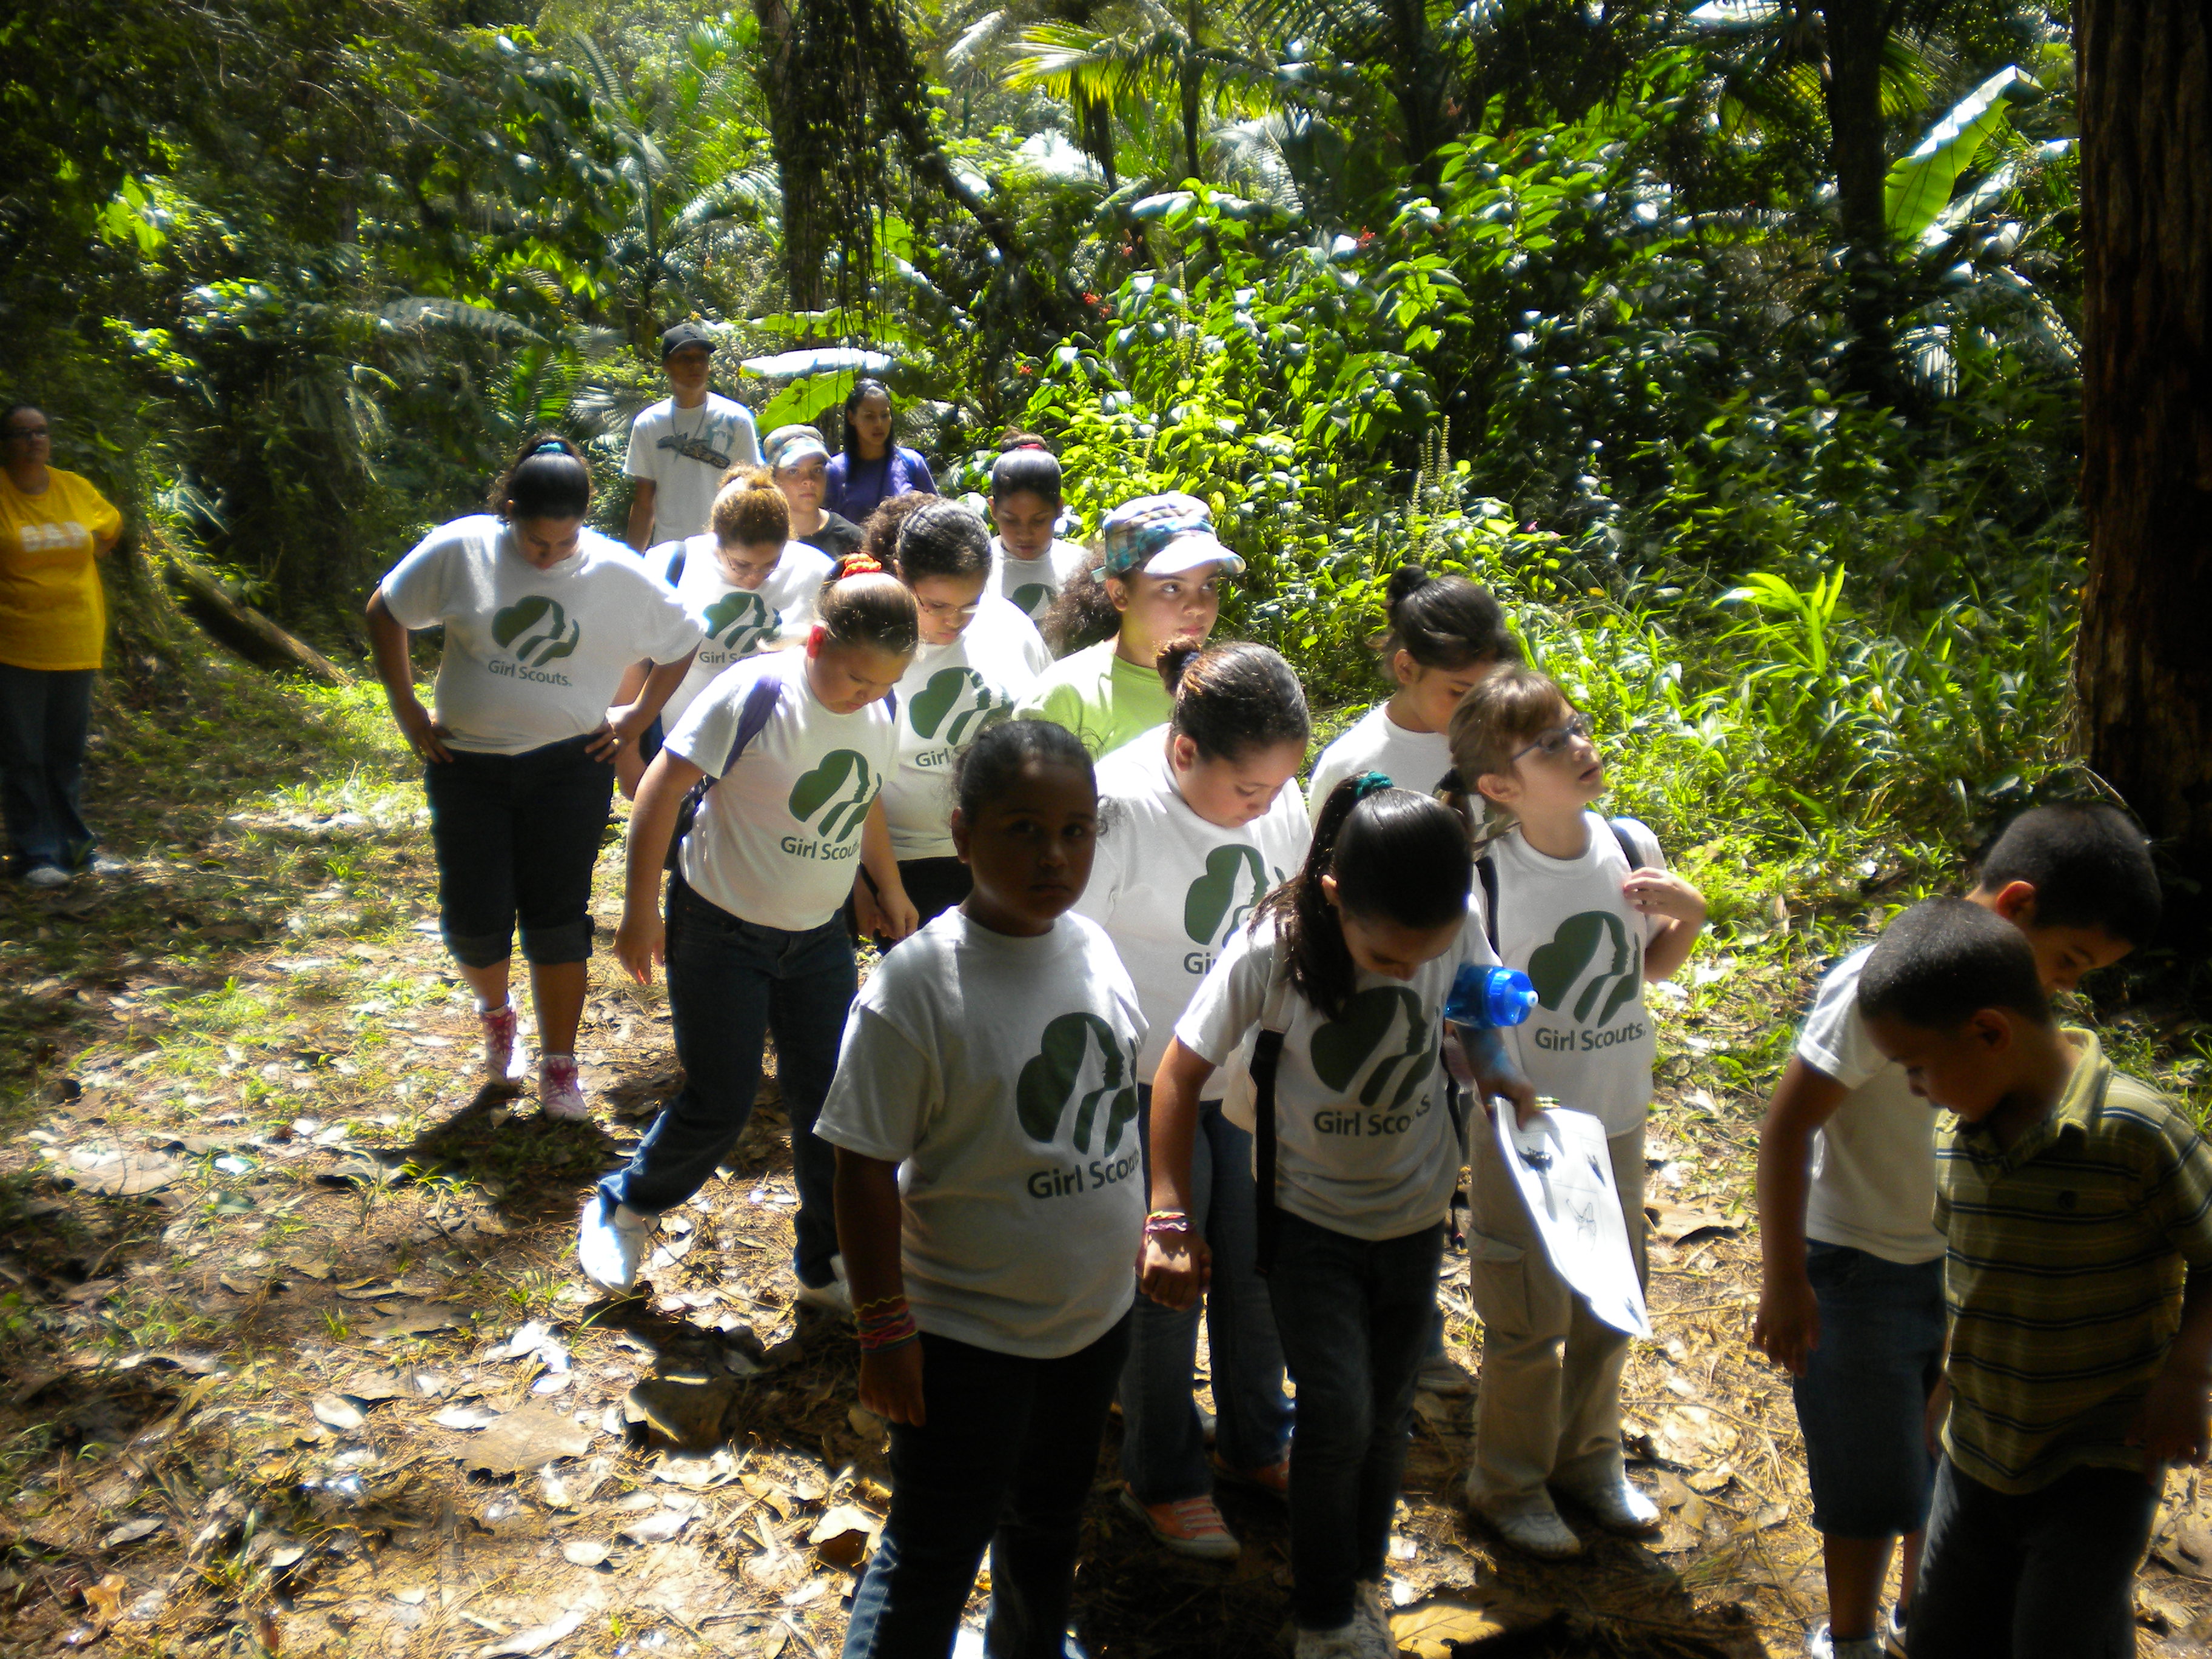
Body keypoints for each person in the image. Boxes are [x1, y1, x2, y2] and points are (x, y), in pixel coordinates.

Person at [1749, 805, 2160, 1659]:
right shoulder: (1890, 990)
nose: (2067, 986)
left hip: (1960, 1269)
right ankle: (1853, 1633)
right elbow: (1788, 1126)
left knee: (1945, 1460)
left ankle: (1920, 1617)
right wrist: (1787, 1278)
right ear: (2016, 907)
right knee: (1865, 1470)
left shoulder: (2008, 1020)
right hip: (1856, 1271)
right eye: (2071, 960)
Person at [1146, 777, 1533, 1659]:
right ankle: (1322, 1615)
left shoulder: (1449, 916)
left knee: (1391, 1407)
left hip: (1415, 1210)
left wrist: (1496, 1068)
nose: (1407, 970)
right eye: (1388, 957)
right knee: (1337, 1412)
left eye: (1420, 955)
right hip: (1306, 1220)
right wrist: (1170, 1217)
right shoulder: (1273, 952)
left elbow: (1472, 1004)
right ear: (1333, 897)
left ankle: (1361, 1575)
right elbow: (1178, 1074)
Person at [819, 719, 1145, 1659]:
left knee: (1048, 1521)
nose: (1055, 855)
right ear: (962, 835)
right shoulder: (917, 987)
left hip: (1089, 1324)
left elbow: (1123, 1099)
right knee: (935, 1548)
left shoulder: (1091, 946)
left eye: (1077, 830)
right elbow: (861, 1165)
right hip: (968, 1338)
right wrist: (886, 1330)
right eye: (1023, 829)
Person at [1854, 897, 2212, 1659]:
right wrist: (1948, 1388)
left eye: (1916, 1067)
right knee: (1944, 1634)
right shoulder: (1958, 1140)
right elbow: (1970, 1276)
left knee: (2059, 1638)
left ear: (1989, 1032)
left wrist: (2187, 1374)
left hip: (2099, 1455)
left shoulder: (2135, 1132)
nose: (1915, 1088)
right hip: (1979, 1449)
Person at [579, 558, 920, 1308]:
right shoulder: (757, 693)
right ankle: (624, 1201)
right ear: (818, 641)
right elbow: (661, 790)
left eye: (883, 684)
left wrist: (883, 887)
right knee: (722, 1099)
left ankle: (825, 1261)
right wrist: (642, 911)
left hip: (820, 940)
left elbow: (862, 801)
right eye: (857, 678)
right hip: (720, 928)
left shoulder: (882, 712)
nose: (868, 696)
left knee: (829, 1103)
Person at [1443, 664, 1707, 1559]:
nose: (1581, 749)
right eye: (1550, 744)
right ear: (1499, 787)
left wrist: (1690, 916)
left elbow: (1648, 971)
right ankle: (1507, 1482)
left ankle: (1588, 1461)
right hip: (1530, 1129)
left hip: (1617, 1118)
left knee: (1610, 1297)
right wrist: (1505, 1092)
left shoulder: (1629, 844)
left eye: (1577, 729)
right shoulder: (1484, 878)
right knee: (1529, 1314)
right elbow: (1466, 1012)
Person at [367, 435, 701, 1118]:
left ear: (583, 523)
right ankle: (497, 1018)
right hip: (467, 764)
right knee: (474, 917)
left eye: (563, 543)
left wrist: (636, 718)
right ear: (510, 509)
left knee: (556, 919)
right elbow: (386, 611)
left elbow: (684, 635)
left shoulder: (615, 570)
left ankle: (560, 1064)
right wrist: (406, 708)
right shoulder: (463, 548)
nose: (547, 556)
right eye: (534, 542)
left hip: (567, 768)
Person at [1074, 641, 1310, 1561]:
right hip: (1142, 1081)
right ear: (1183, 754)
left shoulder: (1278, 794)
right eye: (1247, 793)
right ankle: (1163, 1472)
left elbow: (1291, 911)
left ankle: (1260, 1437)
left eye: (1278, 790)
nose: (1267, 807)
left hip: (1247, 1077)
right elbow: (1065, 948)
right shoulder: (1117, 809)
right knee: (1169, 1274)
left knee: (1258, 1273)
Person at [875, 500, 1050, 930]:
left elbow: (1046, 723)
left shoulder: (1008, 624)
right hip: (912, 862)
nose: (954, 622)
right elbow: (858, 782)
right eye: (934, 606)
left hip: (1004, 848)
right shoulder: (873, 644)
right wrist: (884, 885)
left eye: (969, 605)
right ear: (901, 573)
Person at [613, 471, 833, 797]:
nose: (755, 578)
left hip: (779, 759)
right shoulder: (672, 565)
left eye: (769, 565)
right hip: (684, 756)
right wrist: (628, 758)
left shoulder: (817, 571)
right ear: (716, 537)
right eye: (741, 565)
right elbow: (632, 663)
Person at [0, 404, 123, 889]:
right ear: (5, 444)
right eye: (21, 433)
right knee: (22, 752)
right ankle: (34, 854)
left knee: (65, 752)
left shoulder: (74, 487)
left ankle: (75, 848)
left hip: (76, 637)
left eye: (41, 432)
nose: (34, 441)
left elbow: (109, 529)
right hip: (14, 644)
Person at [1017, 492, 1238, 759]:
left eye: (1208, 585)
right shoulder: (1066, 697)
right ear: (1120, 594)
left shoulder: (1225, 689)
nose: (1197, 606)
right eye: (1171, 587)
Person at [1308, 566, 1518, 815]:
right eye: (1459, 693)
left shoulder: (1519, 744)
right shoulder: (1351, 768)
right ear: (1406, 669)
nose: (1478, 711)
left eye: (1489, 693)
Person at [625, 323, 762, 549]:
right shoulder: (648, 423)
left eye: (702, 357)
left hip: (727, 549)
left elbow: (753, 491)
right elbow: (643, 503)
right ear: (667, 365)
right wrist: (632, 565)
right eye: (685, 358)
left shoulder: (736, 419)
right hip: (669, 551)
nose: (695, 365)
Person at [987, 435, 1087, 626]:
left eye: (1039, 521)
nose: (1024, 534)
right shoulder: (976, 570)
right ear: (993, 509)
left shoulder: (1082, 567)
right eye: (1011, 520)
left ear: (1059, 509)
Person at [823, 379, 937, 525]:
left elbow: (936, 518)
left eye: (884, 415)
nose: (879, 424)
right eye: (869, 416)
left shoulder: (912, 463)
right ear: (852, 417)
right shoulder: (834, 471)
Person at [765, 425, 864, 562]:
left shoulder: (853, 540)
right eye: (794, 471)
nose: (808, 481)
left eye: (817, 470)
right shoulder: (758, 537)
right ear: (773, 478)